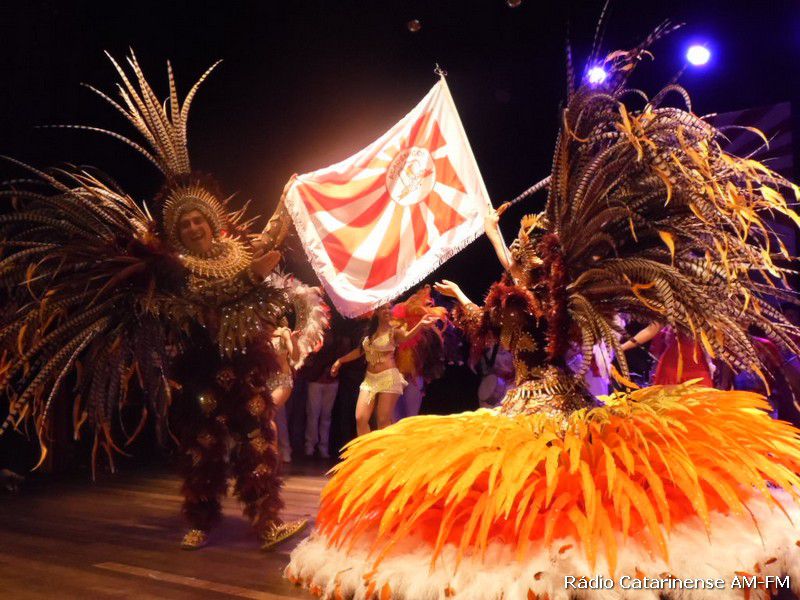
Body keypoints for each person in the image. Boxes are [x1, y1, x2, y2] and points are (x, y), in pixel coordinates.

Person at [287, 27, 800, 598]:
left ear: (547, 263)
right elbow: (497, 313)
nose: (522, 256)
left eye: (531, 251)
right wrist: (472, 278)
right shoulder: (525, 297)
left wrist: (502, 272)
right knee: (528, 492)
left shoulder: (549, 298)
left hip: (554, 402)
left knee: (565, 489)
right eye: (522, 252)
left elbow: (525, 310)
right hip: (526, 400)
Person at [0, 54, 329, 552]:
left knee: (260, 442)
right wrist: (252, 277)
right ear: (177, 231)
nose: (194, 227)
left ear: (212, 220)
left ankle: (266, 523)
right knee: (202, 448)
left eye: (199, 220)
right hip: (202, 369)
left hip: (249, 364)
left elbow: (269, 245)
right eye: (185, 223)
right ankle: (200, 520)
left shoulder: (241, 250)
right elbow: (205, 297)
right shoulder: (172, 269)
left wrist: (288, 197)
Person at [330, 305, 439, 436]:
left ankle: (386, 448)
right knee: (360, 418)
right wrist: (340, 361)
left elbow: (407, 336)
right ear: (376, 312)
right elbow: (360, 351)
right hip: (370, 380)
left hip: (389, 378)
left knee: (383, 421)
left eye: (389, 308)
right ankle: (368, 448)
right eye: (383, 308)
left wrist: (420, 324)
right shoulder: (370, 332)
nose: (387, 311)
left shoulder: (394, 332)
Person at [621, 323, 714, 386]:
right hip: (672, 368)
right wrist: (622, 347)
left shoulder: (711, 306)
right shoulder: (672, 304)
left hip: (699, 368)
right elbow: (651, 330)